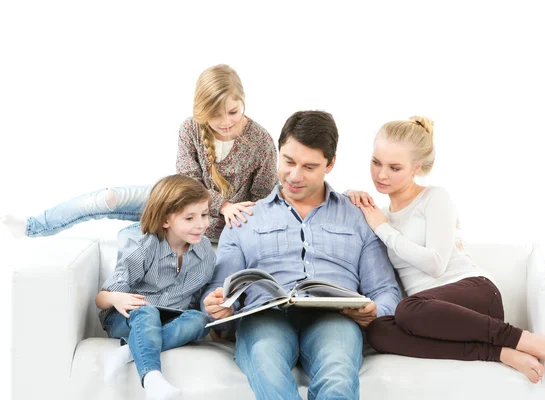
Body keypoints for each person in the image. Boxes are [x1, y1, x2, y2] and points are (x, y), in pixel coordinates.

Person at [345, 116, 545, 384]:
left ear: (416, 167)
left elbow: (436, 264)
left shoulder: (434, 198)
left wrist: (383, 229)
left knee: (407, 309)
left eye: (394, 167)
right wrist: (349, 195)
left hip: (475, 294)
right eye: (376, 163)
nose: (381, 175)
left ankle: (525, 339)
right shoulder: (380, 215)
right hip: (431, 317)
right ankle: (499, 353)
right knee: (378, 332)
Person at [201, 110, 401, 400]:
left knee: (338, 374)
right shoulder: (244, 219)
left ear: (330, 164)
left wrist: (374, 311)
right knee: (265, 361)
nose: (294, 176)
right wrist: (217, 305)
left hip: (334, 319)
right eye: (288, 161)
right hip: (265, 318)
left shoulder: (358, 216)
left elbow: (385, 290)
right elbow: (217, 291)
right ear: (277, 154)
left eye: (309, 167)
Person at [1, 64, 278, 242]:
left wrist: (229, 215)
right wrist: (224, 204)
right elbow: (189, 183)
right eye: (216, 115)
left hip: (210, 225)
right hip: (177, 197)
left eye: (233, 111)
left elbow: (264, 200)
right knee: (110, 198)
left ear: (243, 102)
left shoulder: (261, 141)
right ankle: (33, 226)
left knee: (137, 237)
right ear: (202, 112)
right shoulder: (190, 129)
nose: (226, 122)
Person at [96, 174, 216, 400]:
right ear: (165, 220)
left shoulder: (205, 252)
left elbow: (196, 300)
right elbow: (101, 298)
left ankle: (126, 352)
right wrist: (116, 299)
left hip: (168, 318)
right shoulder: (143, 247)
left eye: (204, 214)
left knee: (201, 320)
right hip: (129, 318)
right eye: (190, 218)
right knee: (147, 310)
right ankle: (152, 379)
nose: (202, 224)